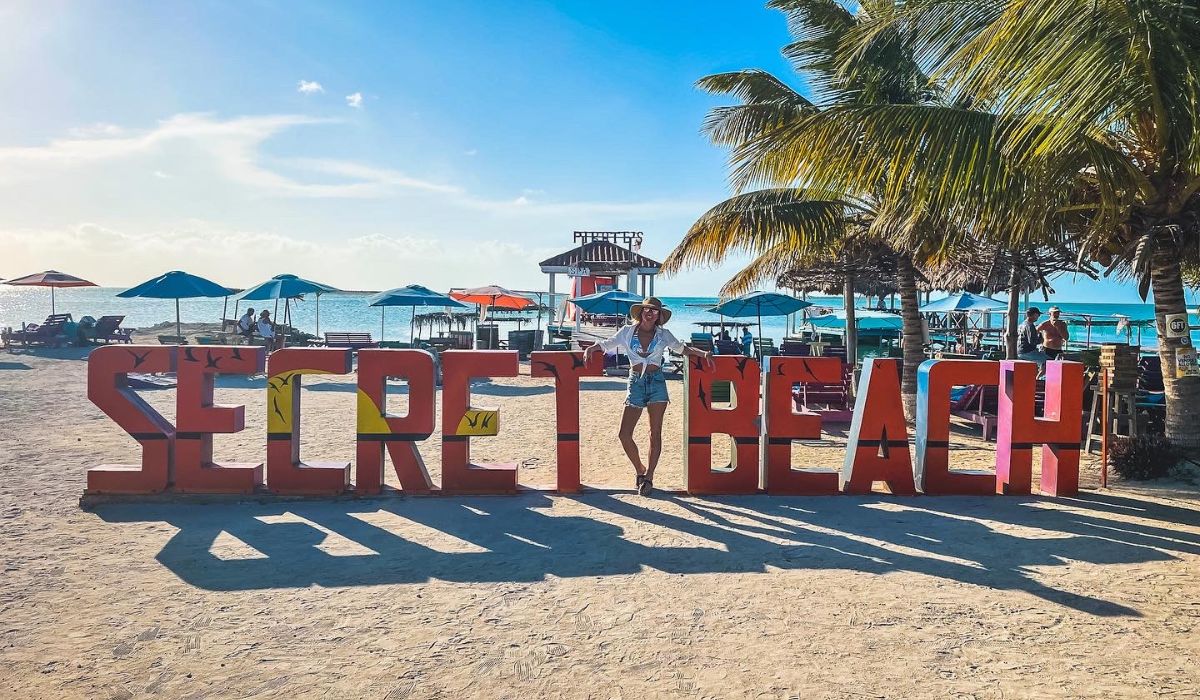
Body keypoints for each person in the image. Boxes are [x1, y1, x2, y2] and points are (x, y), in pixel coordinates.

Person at [584, 297, 713, 496]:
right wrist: (593, 347)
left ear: (659, 316)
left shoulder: (663, 335)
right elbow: (608, 343)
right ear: (641, 312)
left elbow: (682, 349)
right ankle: (640, 469)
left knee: (655, 433)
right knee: (624, 434)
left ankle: (649, 477)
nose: (650, 313)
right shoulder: (627, 331)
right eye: (647, 309)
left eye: (654, 310)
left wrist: (703, 354)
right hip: (635, 382)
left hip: (657, 382)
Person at [1017, 307, 1047, 371]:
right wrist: (1041, 337)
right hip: (1028, 352)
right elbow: (1032, 342)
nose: (1038, 317)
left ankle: (1038, 376)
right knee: (1050, 361)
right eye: (1038, 315)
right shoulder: (1030, 326)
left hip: (1019, 351)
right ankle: (1040, 378)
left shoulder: (1022, 325)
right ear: (1034, 315)